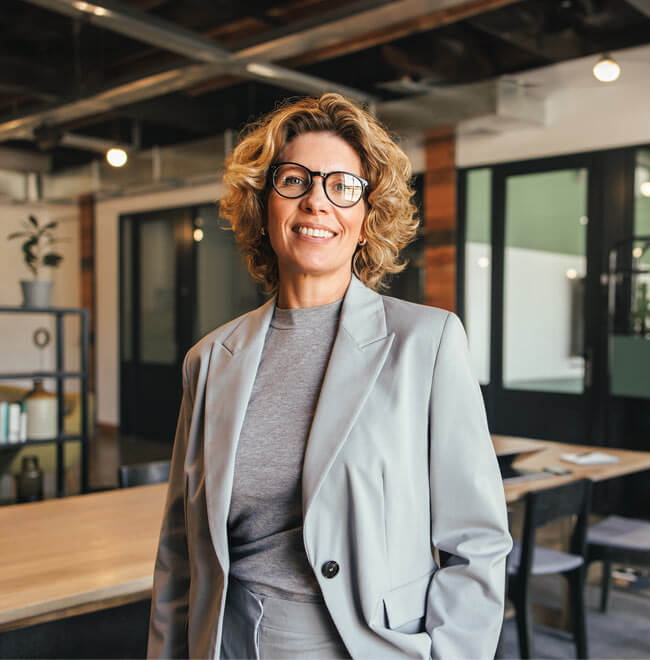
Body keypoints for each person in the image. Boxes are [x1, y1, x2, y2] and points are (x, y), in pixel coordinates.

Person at [147, 93, 511, 660]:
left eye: (343, 186)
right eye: (294, 181)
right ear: (264, 207)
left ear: (367, 219)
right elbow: (180, 552)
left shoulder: (427, 342)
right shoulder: (210, 359)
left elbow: (476, 541)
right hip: (226, 643)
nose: (317, 201)